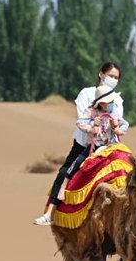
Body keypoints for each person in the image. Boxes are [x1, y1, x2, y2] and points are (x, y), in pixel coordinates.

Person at [34, 62, 126, 225]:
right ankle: (51, 212)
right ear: (101, 74)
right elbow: (82, 119)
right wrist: (94, 126)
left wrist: (117, 128)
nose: (113, 80)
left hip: (109, 146)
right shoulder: (87, 93)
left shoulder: (118, 99)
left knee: (128, 169)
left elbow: (121, 122)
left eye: (116, 78)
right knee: (65, 172)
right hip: (85, 145)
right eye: (110, 76)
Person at [63, 86, 129, 184]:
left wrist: (119, 130)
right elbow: (80, 122)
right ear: (101, 104)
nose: (112, 103)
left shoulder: (114, 112)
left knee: (128, 161)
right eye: (109, 101)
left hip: (112, 146)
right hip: (96, 146)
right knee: (78, 162)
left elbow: (125, 124)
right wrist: (92, 127)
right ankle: (64, 185)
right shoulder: (91, 112)